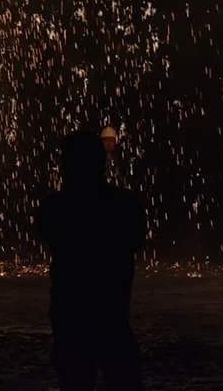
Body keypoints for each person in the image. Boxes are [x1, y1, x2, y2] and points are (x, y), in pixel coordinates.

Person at [38, 131, 146, 390]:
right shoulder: (125, 204)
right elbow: (136, 239)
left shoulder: (55, 207)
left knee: (75, 379)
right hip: (113, 314)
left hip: (72, 318)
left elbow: (49, 236)